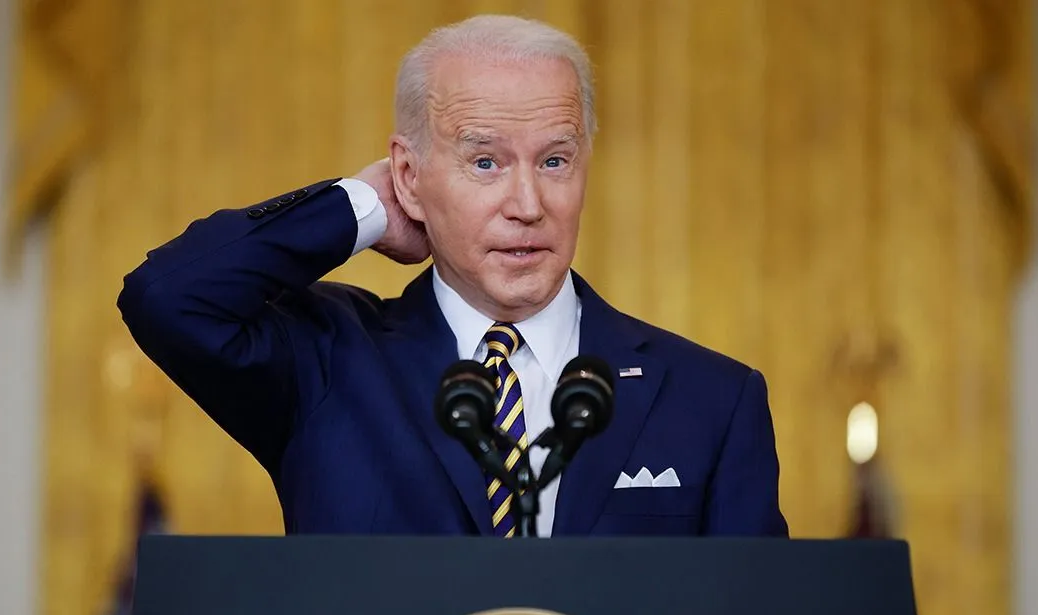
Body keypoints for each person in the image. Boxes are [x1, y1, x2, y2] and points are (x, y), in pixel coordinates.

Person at [117, 14, 788, 538]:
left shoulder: (712, 400)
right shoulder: (327, 364)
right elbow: (169, 297)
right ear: (411, 174)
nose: (528, 206)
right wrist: (367, 207)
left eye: (555, 161)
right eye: (486, 163)